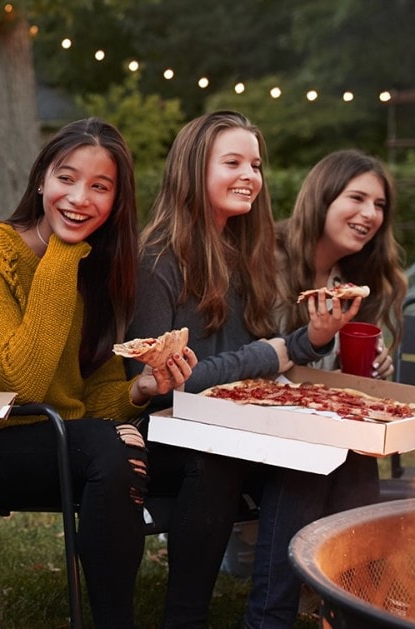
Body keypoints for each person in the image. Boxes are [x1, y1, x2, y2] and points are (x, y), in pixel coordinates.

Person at [0, 117, 195, 628]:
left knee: (200, 450)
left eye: (100, 187)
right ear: (42, 178)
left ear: (116, 202)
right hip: (0, 443)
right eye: (67, 178)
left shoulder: (104, 266)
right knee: (112, 446)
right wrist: (63, 253)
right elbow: (21, 386)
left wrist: (142, 387)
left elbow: (94, 396)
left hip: (82, 440)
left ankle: (187, 619)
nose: (79, 197)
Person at [128, 111, 354, 628]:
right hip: (167, 430)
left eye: (255, 164)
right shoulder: (157, 258)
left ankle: (275, 618)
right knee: (216, 458)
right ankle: (184, 619)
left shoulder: (244, 252)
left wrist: (311, 339)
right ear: (192, 170)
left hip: (236, 423)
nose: (250, 175)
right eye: (232, 162)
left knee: (326, 450)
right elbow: (167, 382)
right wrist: (273, 353)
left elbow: (256, 360)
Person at [248, 149, 408, 628]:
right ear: (322, 196)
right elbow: (247, 354)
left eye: (379, 205)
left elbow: (340, 382)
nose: (370, 215)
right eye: (356, 198)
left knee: (351, 456)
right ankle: (273, 617)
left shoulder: (353, 283)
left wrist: (374, 365)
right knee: (317, 456)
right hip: (246, 420)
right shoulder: (264, 257)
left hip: (312, 426)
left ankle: (351, 609)